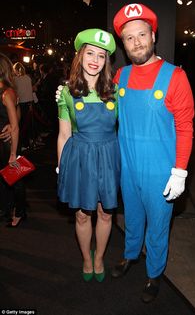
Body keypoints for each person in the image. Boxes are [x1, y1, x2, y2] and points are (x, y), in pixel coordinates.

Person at [110, 3, 194, 303]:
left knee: (158, 225)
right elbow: (104, 110)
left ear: (153, 36)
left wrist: (180, 171)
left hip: (160, 170)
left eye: (142, 34)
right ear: (123, 43)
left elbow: (185, 127)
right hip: (128, 166)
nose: (136, 42)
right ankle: (130, 254)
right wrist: (70, 96)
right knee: (131, 216)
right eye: (129, 38)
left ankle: (154, 273)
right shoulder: (120, 76)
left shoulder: (176, 77)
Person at [56, 29, 120, 282]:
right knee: (83, 213)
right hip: (80, 158)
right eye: (90, 53)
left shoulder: (116, 91)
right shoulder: (66, 93)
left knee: (105, 213)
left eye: (101, 56)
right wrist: (62, 169)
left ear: (107, 61)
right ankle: (86, 257)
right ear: (80, 56)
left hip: (108, 156)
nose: (95, 60)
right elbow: (64, 134)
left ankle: (100, 257)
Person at [0, 53, 27, 227]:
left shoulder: (6, 92)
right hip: (3, 140)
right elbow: (17, 113)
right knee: (4, 178)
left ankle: (20, 212)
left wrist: (12, 153)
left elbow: (16, 125)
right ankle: (7, 208)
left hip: (8, 143)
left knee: (15, 178)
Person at [13, 62, 35, 150]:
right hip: (29, 103)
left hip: (20, 103)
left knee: (21, 125)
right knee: (28, 124)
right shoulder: (28, 78)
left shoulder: (15, 79)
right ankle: (29, 142)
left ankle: (23, 144)